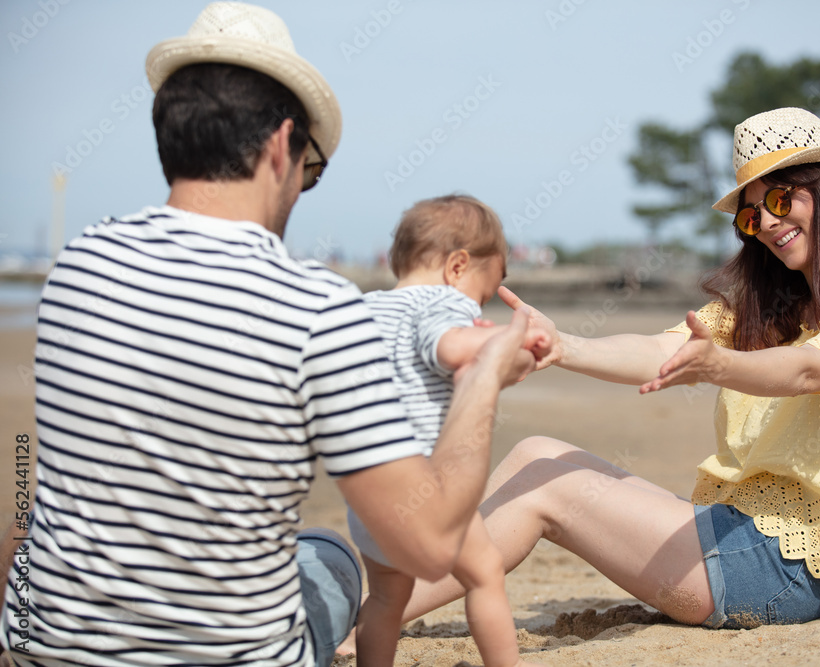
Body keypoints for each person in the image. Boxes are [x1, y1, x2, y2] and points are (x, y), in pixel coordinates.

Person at [0, 4, 536, 667]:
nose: (302, 188)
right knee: (331, 554)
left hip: (54, 649)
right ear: (282, 146)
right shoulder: (315, 308)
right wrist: (484, 376)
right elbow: (428, 546)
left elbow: (33, 498)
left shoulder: (76, 268)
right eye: (312, 169)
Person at [400, 107, 820, 631]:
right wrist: (562, 345)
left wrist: (720, 365)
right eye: (749, 216)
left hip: (781, 570)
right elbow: (657, 348)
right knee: (533, 453)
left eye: (779, 199)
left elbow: (809, 371)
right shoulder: (762, 313)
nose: (765, 222)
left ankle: (371, 618)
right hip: (731, 528)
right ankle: (385, 596)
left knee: (546, 485)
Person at [348, 195, 547, 666]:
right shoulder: (440, 299)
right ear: (457, 266)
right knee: (484, 574)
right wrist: (509, 337)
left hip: (368, 495)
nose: (475, 308)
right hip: (426, 489)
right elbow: (455, 347)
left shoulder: (365, 308)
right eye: (481, 294)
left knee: (384, 601)